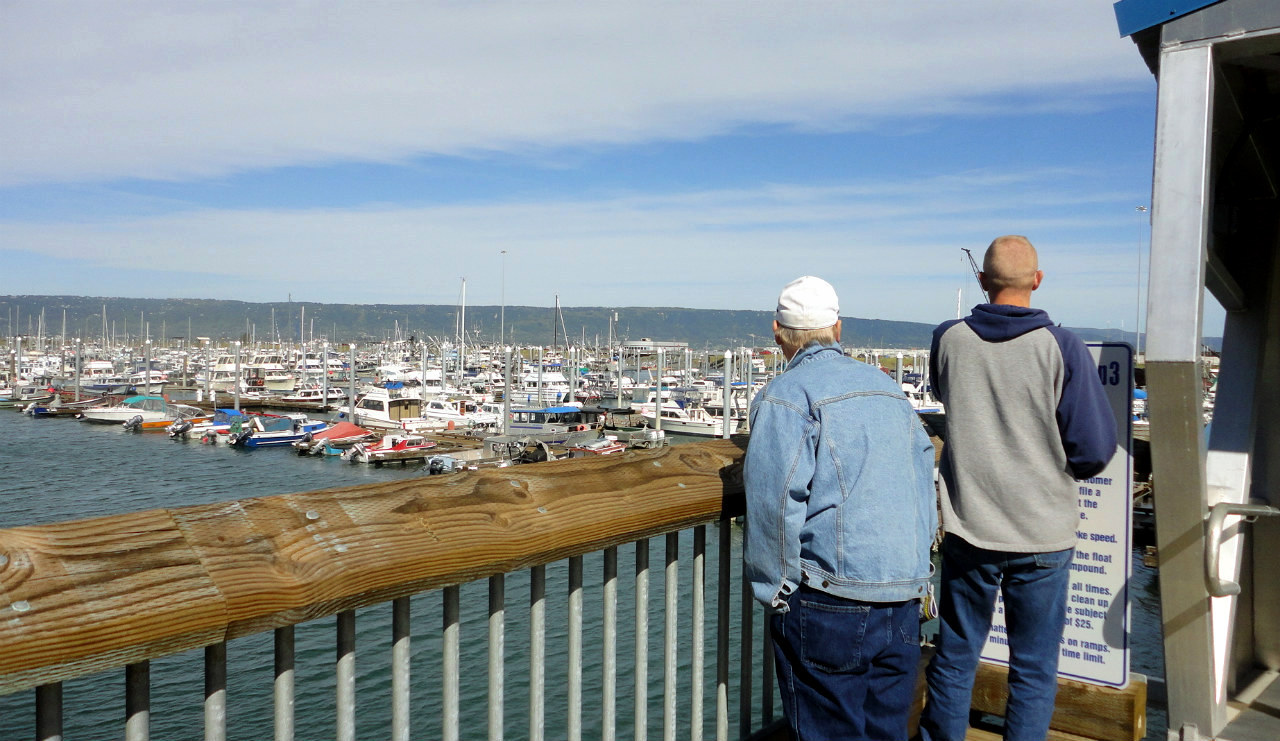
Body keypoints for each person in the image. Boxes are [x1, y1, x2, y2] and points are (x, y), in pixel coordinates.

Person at [918, 236, 1117, 741]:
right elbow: (1095, 447)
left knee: (957, 653)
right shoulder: (1063, 346)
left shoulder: (949, 339)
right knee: (1032, 666)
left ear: (982, 282)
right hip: (1043, 534)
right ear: (1037, 280)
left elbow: (945, 396)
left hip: (970, 528)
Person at [744, 275, 938, 741]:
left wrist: (776, 592)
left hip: (830, 604)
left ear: (777, 333)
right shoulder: (889, 391)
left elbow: (775, 502)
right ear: (838, 327)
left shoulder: (787, 395)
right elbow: (922, 482)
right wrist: (920, 578)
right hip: (903, 599)